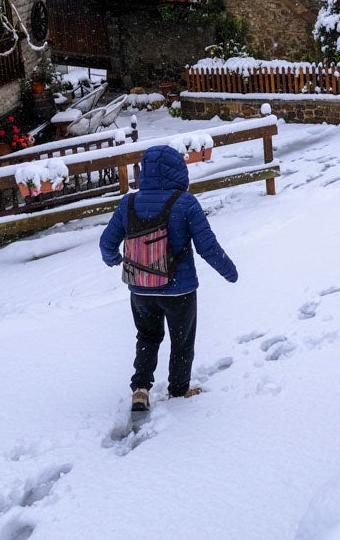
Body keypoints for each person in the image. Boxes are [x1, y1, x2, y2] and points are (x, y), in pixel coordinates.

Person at [100, 144, 238, 411]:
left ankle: (140, 388)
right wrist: (229, 272)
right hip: (179, 289)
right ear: (178, 170)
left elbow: (107, 243)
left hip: (140, 288)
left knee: (147, 337)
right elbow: (206, 246)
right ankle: (178, 389)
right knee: (181, 340)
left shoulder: (128, 202)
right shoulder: (185, 202)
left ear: (145, 171)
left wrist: (115, 260)